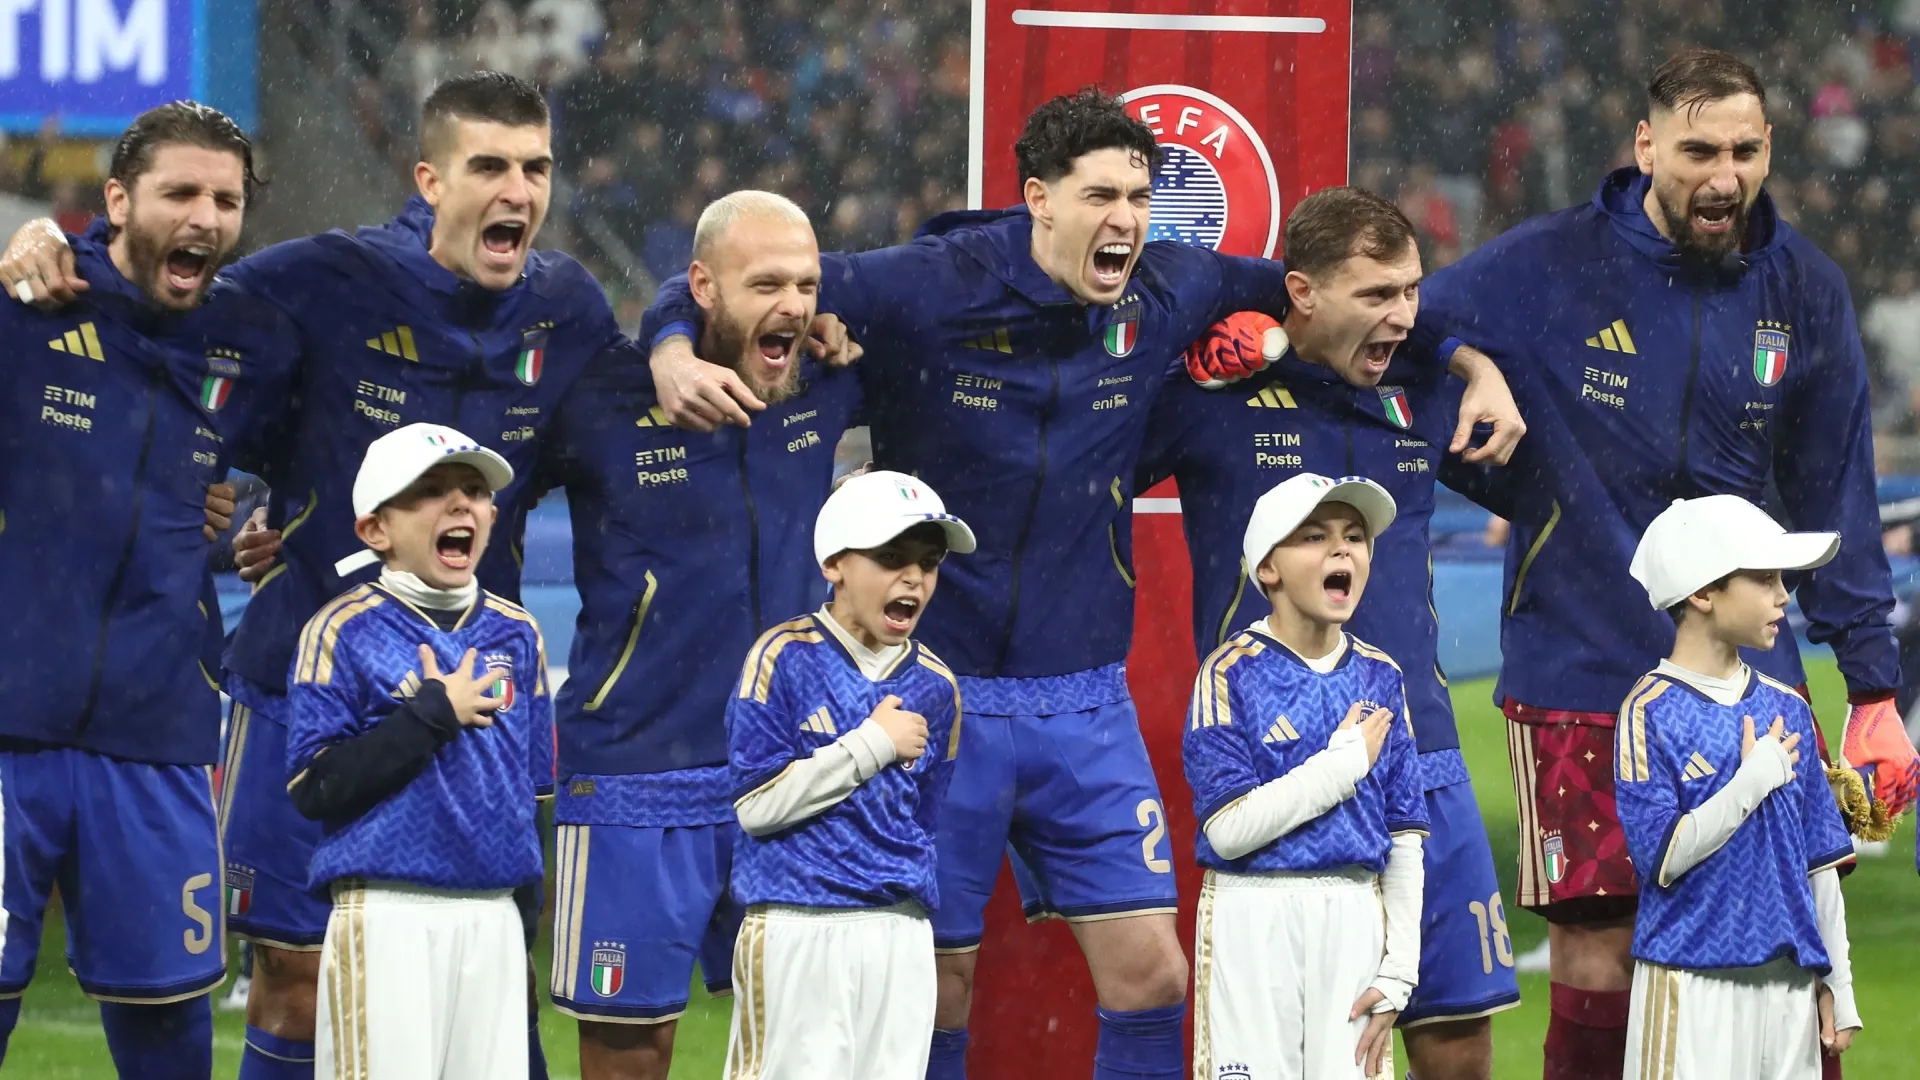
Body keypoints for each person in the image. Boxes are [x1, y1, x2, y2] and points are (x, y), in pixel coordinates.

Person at [640, 89, 1520, 1080]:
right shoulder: (935, 283)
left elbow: (1326, 287)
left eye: (1140, 196)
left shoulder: (1170, 285)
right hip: (949, 692)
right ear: (1037, 201)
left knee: (1152, 976)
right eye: (1100, 194)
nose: (1126, 220)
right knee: (939, 979)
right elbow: (764, 279)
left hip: (1085, 702)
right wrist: (671, 343)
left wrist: (1462, 357)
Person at [0, 70, 637, 1080]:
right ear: (430, 178)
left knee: (483, 978)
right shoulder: (312, 284)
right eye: (489, 166)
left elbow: (633, 410)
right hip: (299, 680)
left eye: (536, 168)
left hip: (476, 698)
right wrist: (51, 245)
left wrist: (684, 331)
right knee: (293, 983)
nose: (517, 189)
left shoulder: (565, 307)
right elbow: (167, 356)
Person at [1414, 48, 1909, 1080]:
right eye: (1696, 151)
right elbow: (1397, 323)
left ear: (1769, 147)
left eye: (1741, 150)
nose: (1721, 176)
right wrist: (1477, 375)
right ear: (1646, 147)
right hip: (1580, 658)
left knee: (1782, 932)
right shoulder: (1546, 263)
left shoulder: (1805, 290)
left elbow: (1837, 492)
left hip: (1751, 686)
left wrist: (1872, 687)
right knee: (1598, 953)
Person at [1142, 187, 1521, 1080]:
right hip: (1280, 775)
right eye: (1375, 295)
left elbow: (1451, 324)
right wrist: (1180, 353)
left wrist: (1476, 365)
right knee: (1292, 1050)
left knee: (1456, 1034)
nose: (1400, 315)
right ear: (1301, 292)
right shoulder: (1211, 395)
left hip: (1420, 752)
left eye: (1409, 292)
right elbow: (1095, 435)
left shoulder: (1423, 387)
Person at [538, 190, 862, 1080]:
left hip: (788, 772)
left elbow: (938, 273)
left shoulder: (826, 378)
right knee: (629, 1047)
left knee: (800, 1042)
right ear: (701, 287)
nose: (793, 305)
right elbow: (471, 482)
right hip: (633, 774)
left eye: (807, 284)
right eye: (766, 283)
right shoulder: (600, 396)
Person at [0, 100, 291, 1077]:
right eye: (180, 193)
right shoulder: (27, 306)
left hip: (159, 745)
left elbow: (301, 451)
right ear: (118, 200)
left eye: (225, 199)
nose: (206, 217)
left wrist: (262, 519)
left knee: (169, 1035)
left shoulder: (252, 342)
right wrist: (24, 235)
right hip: (7, 735)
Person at [286, 423, 552, 1079]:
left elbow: (533, 792)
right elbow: (315, 786)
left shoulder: (517, 633)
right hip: (386, 915)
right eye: (430, 492)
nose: (460, 504)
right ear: (377, 531)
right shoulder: (341, 630)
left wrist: (521, 921)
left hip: (492, 920)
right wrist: (433, 713)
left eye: (473, 490)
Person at [724, 470, 972, 1079]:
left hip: (900, 933)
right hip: (797, 928)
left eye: (928, 562)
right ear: (834, 564)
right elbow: (755, 806)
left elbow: (922, 820)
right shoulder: (781, 657)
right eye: (891, 558)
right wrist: (870, 745)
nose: (913, 578)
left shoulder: (937, 686)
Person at [1183, 473, 1424, 1079]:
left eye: (1354, 536)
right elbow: (1229, 831)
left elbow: (1404, 836)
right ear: (1269, 569)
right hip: (1252, 917)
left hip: (1353, 919)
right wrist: (1341, 766)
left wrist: (1400, 970)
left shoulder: (1381, 677)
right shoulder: (1228, 672)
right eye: (1315, 537)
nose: (1342, 551)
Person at [1616, 494, 1860, 1077]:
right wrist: (1750, 782)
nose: (1783, 595)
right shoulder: (1649, 711)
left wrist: (1837, 986)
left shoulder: (1787, 708)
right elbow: (1663, 857)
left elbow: (1818, 865)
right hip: (1688, 987)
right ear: (1702, 593)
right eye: (1765, 578)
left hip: (1787, 994)